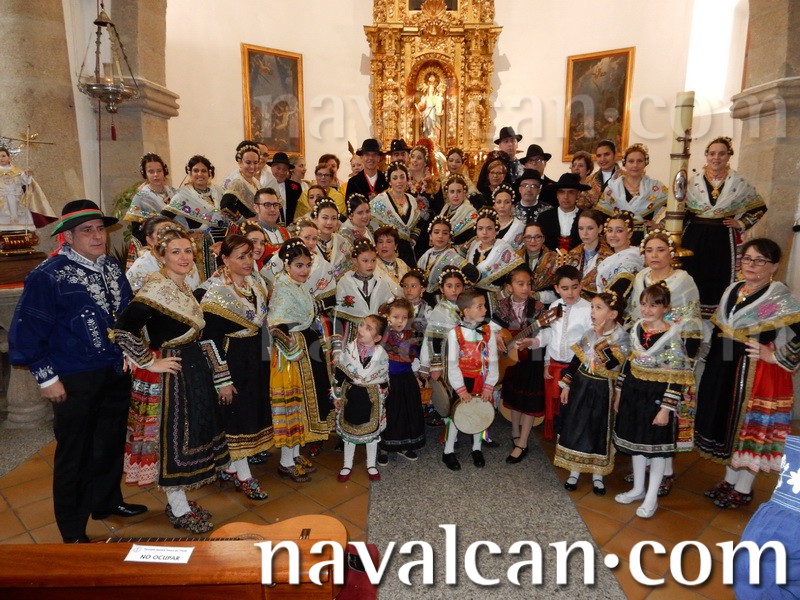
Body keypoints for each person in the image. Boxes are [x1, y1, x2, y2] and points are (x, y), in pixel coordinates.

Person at [9, 199, 146, 543]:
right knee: (75, 452)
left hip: (113, 369)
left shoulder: (111, 266)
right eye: (87, 231)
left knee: (110, 440)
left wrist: (132, 353)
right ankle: (72, 529)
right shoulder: (48, 275)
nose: (97, 236)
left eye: (100, 229)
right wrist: (46, 377)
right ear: (68, 236)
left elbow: (125, 314)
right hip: (73, 376)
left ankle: (106, 501)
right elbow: (27, 331)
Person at [113, 226, 229, 533]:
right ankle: (177, 506)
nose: (184, 257)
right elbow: (122, 329)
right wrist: (150, 361)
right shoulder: (154, 291)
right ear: (161, 256)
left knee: (189, 435)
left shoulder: (183, 286)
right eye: (175, 252)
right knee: (171, 441)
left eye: (188, 251)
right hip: (170, 377)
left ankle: (180, 501)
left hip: (192, 368)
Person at [694, 238, 800, 508]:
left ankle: (743, 488)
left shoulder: (777, 296)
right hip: (726, 366)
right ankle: (729, 480)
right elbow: (725, 329)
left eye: (760, 260)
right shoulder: (733, 288)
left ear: (774, 266)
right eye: (747, 259)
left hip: (757, 373)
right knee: (728, 425)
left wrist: (775, 356)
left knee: (749, 427)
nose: (751, 265)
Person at [197, 235, 272, 500]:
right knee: (237, 418)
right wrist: (223, 380)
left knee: (251, 413)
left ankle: (231, 467)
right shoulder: (217, 295)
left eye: (250, 255)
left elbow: (263, 326)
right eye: (240, 256)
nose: (248, 261)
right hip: (233, 361)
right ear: (225, 259)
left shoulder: (256, 285)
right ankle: (244, 475)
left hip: (255, 360)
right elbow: (209, 341)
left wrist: (267, 360)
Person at [613, 283, 694, 518]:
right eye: (644, 304)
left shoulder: (672, 337)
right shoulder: (636, 328)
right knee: (636, 442)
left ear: (665, 308)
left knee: (657, 448)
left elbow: (677, 376)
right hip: (634, 392)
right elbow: (628, 362)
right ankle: (638, 488)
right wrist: (619, 392)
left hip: (657, 397)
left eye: (654, 305)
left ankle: (651, 497)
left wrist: (666, 409)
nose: (647, 310)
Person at [268, 239, 333, 483]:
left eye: (307, 265)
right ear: (287, 266)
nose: (304, 270)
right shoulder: (283, 288)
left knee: (304, 404)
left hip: (305, 345)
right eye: (298, 265)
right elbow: (275, 326)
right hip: (291, 355)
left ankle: (295, 454)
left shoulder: (298, 285)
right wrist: (293, 351)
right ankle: (286, 461)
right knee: (293, 404)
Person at [682, 137, 767, 318]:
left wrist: (741, 223)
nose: (716, 158)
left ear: (729, 156)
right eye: (712, 153)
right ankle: (689, 314)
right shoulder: (693, 182)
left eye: (721, 154)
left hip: (722, 237)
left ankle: (715, 317)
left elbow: (759, 207)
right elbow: (683, 211)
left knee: (718, 276)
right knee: (691, 274)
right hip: (694, 236)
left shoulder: (739, 181)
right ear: (706, 155)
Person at [555, 291, 630, 495]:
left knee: (599, 428)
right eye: (592, 307)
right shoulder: (589, 332)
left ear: (612, 314)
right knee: (576, 425)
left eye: (598, 308)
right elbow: (577, 359)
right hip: (581, 385)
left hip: (603, 389)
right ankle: (574, 471)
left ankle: (598, 474)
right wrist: (567, 384)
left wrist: (600, 338)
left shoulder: (622, 337)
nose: (592, 312)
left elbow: (612, 363)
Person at [529, 265, 592, 441]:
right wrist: (546, 361)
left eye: (574, 287)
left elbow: (588, 342)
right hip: (554, 364)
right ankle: (558, 437)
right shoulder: (555, 305)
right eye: (565, 288)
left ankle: (570, 441)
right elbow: (551, 334)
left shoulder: (588, 309)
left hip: (575, 368)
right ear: (556, 289)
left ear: (581, 285)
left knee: (571, 406)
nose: (570, 292)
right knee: (555, 405)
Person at [491, 265, 545, 461]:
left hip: (533, 358)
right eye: (520, 284)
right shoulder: (503, 305)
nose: (525, 288)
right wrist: (497, 335)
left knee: (530, 400)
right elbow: (493, 326)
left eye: (528, 284)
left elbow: (545, 334)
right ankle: (515, 430)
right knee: (513, 397)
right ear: (509, 287)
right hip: (511, 359)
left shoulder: (538, 307)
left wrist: (532, 341)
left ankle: (522, 442)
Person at [442, 289, 499, 470]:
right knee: (456, 414)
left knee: (480, 412)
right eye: (480, 306)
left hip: (482, 380)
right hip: (463, 381)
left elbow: (493, 361)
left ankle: (477, 448)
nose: (485, 310)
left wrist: (489, 385)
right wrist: (460, 389)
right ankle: (448, 451)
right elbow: (452, 365)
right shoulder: (455, 334)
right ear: (466, 311)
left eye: (484, 306)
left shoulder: (488, 332)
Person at [332, 314, 390, 483]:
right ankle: (347, 464)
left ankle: (371, 464)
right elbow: (339, 373)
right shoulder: (348, 350)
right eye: (362, 324)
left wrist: (383, 398)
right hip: (351, 395)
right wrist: (336, 395)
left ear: (377, 338)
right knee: (349, 431)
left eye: (368, 328)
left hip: (371, 398)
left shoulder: (381, 355)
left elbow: (384, 379)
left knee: (371, 434)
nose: (361, 329)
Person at [163, 155, 230, 280]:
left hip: (222, 243)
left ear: (210, 173)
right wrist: (185, 234)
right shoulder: (183, 196)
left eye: (203, 170)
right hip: (199, 249)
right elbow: (163, 219)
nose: (200, 174)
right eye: (196, 170)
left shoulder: (219, 192)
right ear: (190, 173)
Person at [378, 298, 426, 460]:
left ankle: (405, 445)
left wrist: (416, 376)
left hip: (406, 379)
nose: (400, 321)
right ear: (387, 316)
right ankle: (384, 447)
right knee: (389, 412)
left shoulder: (410, 335)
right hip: (388, 379)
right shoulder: (383, 336)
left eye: (404, 318)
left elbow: (414, 357)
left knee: (406, 412)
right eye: (396, 317)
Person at [597, 143, 668, 245]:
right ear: (624, 163)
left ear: (645, 163)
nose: (635, 165)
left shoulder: (655, 187)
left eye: (639, 161)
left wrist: (660, 226)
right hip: (618, 241)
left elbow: (676, 208)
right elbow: (601, 217)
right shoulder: (612, 189)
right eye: (631, 161)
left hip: (646, 241)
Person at [334, 239, 395, 346]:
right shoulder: (345, 282)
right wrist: (337, 343)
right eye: (365, 261)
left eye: (373, 260)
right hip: (352, 334)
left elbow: (389, 309)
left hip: (375, 336)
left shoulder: (381, 283)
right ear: (354, 260)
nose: (370, 265)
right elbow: (338, 314)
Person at [464, 207, 524, 313]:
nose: (484, 232)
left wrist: (504, 294)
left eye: (489, 228)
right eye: (480, 228)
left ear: (496, 230)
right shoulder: (473, 246)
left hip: (495, 302)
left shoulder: (503, 248)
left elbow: (519, 275)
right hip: (471, 301)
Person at [126, 215, 201, 292]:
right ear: (149, 240)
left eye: (172, 232)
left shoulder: (187, 261)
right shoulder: (142, 266)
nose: (170, 237)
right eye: (161, 234)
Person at [416, 215, 478, 301]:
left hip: (444, 301)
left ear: (449, 237)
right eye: (436, 232)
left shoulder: (453, 256)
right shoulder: (426, 255)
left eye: (445, 233)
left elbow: (474, 274)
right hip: (424, 301)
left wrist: (456, 289)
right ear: (430, 236)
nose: (440, 236)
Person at [369, 161, 420, 267]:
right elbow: (371, 224)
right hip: (387, 250)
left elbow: (416, 224)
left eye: (402, 177)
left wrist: (413, 238)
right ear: (389, 181)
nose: (399, 181)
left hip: (407, 250)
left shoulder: (411, 199)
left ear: (407, 179)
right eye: (395, 178)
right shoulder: (381, 200)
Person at [0, 145, 55, 231]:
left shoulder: (17, 171)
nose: (1, 158)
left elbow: (25, 182)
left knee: (20, 216)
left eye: (3, 156)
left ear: (9, 157)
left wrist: (27, 175)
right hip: (2, 200)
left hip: (17, 198)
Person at [125, 153, 176, 243]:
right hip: (154, 244)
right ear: (145, 174)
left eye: (159, 171)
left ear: (164, 171)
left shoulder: (174, 193)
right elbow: (137, 231)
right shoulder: (141, 197)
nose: (156, 175)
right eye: (151, 172)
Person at [595, 211, 644, 300]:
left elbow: (620, 292)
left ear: (629, 234)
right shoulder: (609, 259)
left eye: (619, 231)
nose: (613, 235)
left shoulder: (633, 258)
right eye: (610, 230)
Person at [537, 172, 590, 252]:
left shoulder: (586, 218)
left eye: (571, 192)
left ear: (578, 194)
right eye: (562, 192)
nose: (566, 197)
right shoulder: (544, 218)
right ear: (557, 195)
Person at [565, 209, 612, 296]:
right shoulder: (572, 254)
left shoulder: (609, 257)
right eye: (581, 228)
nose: (584, 233)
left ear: (600, 229)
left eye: (590, 228)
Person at [407, 143, 442, 256]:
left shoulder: (434, 185)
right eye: (413, 157)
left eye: (419, 158)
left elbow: (439, 209)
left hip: (427, 231)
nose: (414, 160)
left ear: (425, 162)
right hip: (408, 230)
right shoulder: (404, 183)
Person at [517, 222, 559, 304]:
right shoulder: (515, 259)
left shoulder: (555, 260)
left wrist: (537, 296)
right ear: (523, 239)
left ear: (543, 239)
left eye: (537, 237)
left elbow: (560, 292)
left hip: (546, 306)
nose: (533, 241)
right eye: (528, 237)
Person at [312, 198, 353, 280]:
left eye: (334, 218)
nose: (329, 222)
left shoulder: (343, 242)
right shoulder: (308, 242)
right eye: (325, 218)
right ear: (316, 220)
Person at [222, 142, 261, 215]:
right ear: (240, 163)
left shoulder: (256, 182)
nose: (252, 166)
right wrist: (243, 220)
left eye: (255, 163)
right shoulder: (236, 183)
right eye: (248, 162)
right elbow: (225, 207)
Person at [440, 174, 479, 246]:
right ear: (447, 193)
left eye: (459, 191)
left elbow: (473, 238)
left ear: (464, 192)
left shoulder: (470, 212)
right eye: (452, 192)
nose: (455, 195)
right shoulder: (445, 209)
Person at [251, 187, 289, 259]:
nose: (272, 209)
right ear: (256, 208)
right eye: (267, 205)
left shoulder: (286, 232)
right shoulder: (250, 233)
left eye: (276, 205)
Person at [374, 225, 410, 296]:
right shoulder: (372, 266)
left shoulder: (402, 264)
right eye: (380, 242)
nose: (384, 245)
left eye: (388, 242)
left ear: (396, 246)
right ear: (376, 246)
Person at [268, 152, 303, 225]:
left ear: (288, 171)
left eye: (284, 169)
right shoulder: (265, 186)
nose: (281, 172)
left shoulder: (295, 188)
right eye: (278, 168)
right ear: (271, 168)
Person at [492, 184, 525, 250]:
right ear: (494, 206)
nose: (502, 206)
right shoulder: (488, 223)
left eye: (507, 202)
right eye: (499, 202)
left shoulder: (519, 226)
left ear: (512, 206)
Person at [417, 74, 446, 144]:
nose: (431, 90)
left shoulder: (436, 98)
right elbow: (420, 106)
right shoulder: (425, 98)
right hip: (426, 115)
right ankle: (427, 141)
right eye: (430, 89)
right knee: (427, 128)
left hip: (435, 116)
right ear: (428, 89)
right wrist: (421, 105)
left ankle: (435, 142)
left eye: (433, 89)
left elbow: (440, 107)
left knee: (434, 128)